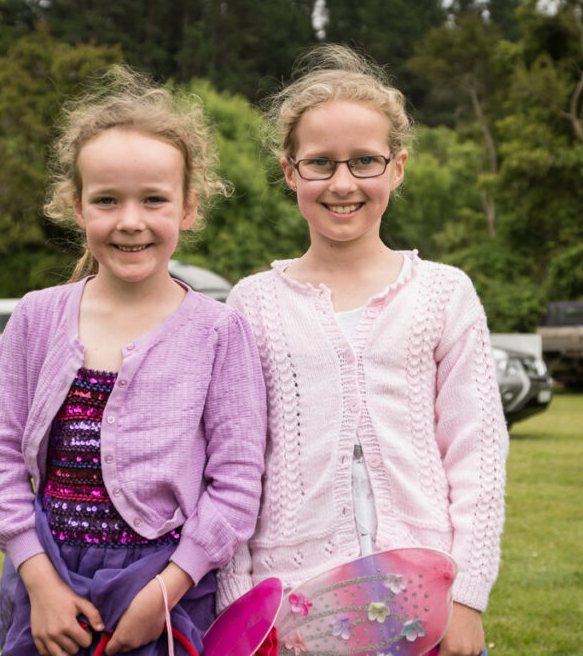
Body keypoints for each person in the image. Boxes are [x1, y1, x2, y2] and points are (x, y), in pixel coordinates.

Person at [216, 45, 509, 656]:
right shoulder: (253, 304)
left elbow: (477, 453)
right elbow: (232, 463)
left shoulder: (443, 294)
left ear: (397, 167)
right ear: (290, 170)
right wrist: (239, 601)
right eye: (320, 163)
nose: (342, 183)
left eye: (365, 162)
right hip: (293, 609)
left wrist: (469, 596)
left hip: (427, 600)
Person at [0, 66, 267, 656]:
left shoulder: (219, 332)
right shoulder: (36, 318)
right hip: (47, 572)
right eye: (107, 200)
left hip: (163, 582)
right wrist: (38, 579)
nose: (130, 221)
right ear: (77, 207)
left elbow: (237, 484)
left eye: (153, 199)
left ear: (188, 208)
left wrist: (167, 588)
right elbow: (2, 458)